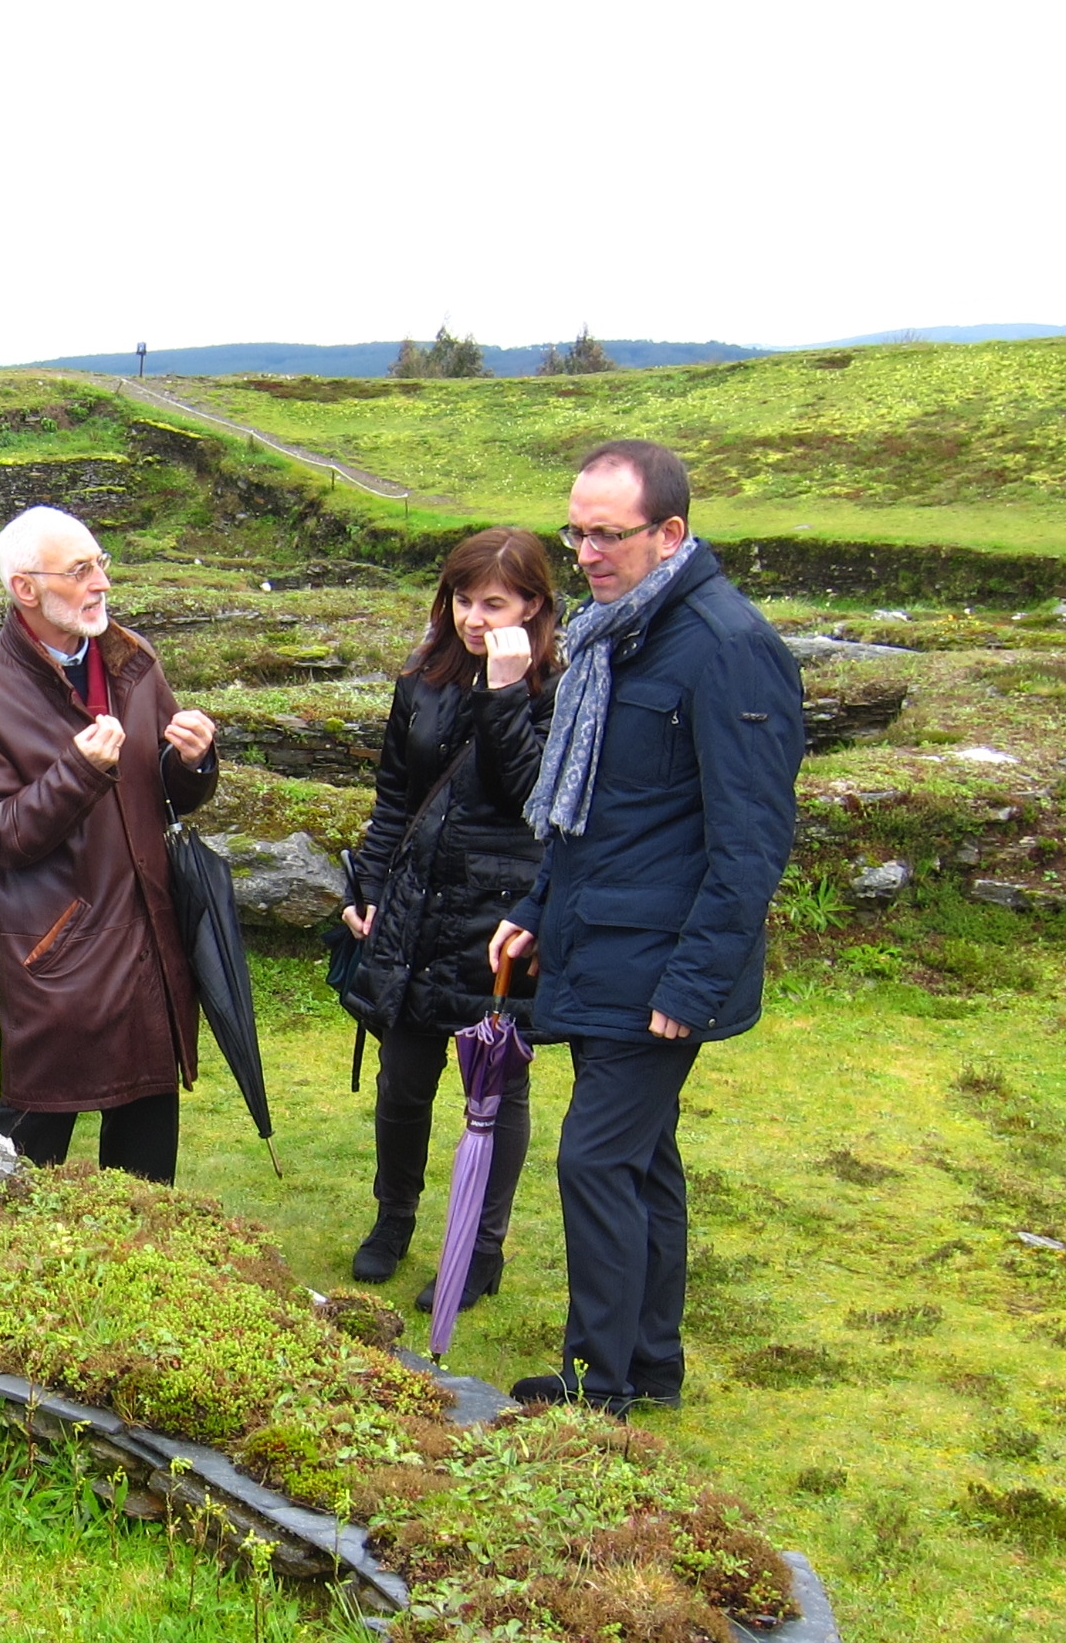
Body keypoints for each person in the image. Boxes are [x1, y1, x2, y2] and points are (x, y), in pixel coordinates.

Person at [488, 440, 804, 1413]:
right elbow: (601, 813)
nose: (582, 551)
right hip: (601, 939)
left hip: (658, 964)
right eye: (573, 530)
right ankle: (650, 1364)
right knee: (639, 1157)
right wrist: (536, 911)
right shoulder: (612, 634)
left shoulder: (723, 645)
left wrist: (691, 984)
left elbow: (749, 840)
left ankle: (597, 1381)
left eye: (605, 533)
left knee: (593, 1157)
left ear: (668, 533)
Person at [0, 506, 218, 1184]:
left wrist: (193, 763)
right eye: (79, 570)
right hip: (59, 956)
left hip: (149, 942)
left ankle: (146, 1274)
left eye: (101, 563)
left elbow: (167, 797)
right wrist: (78, 773)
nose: (100, 583)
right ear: (25, 590)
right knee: (27, 1152)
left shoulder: (133, 660)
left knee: (148, 1163)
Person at [340, 526, 563, 1310]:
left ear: (533, 604)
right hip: (416, 907)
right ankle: (393, 1217)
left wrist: (505, 691)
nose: (472, 616)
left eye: (493, 602)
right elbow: (396, 796)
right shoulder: (424, 679)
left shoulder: (559, 690)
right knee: (403, 1080)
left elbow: (536, 796)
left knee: (495, 1088)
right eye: (462, 599)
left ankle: (480, 1246)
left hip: (500, 919)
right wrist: (368, 889)